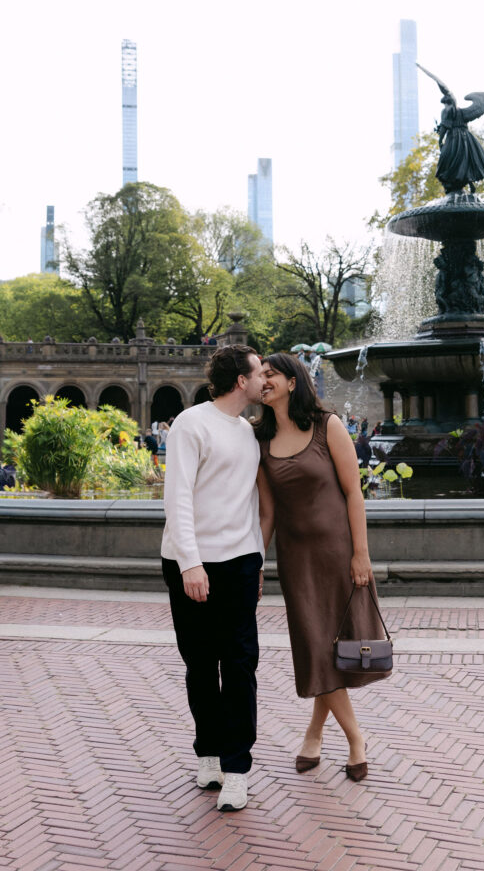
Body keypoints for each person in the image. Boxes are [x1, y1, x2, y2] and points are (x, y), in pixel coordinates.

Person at [255, 352, 390, 783]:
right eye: (262, 376)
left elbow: (354, 493)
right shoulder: (261, 441)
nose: (264, 381)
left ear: (293, 382)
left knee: (332, 647)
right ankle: (341, 736)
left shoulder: (327, 425)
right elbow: (267, 514)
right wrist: (256, 563)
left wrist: (361, 553)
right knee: (317, 648)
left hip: (338, 553)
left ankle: (341, 738)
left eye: (271, 374)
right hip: (296, 561)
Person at [161, 344, 266, 812]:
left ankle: (238, 767)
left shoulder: (248, 431)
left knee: (241, 663)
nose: (266, 378)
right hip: (193, 562)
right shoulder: (192, 423)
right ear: (240, 380)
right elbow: (177, 497)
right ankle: (207, 753)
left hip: (240, 562)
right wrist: (190, 563)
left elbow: (249, 503)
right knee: (201, 663)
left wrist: (259, 560)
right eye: (260, 371)